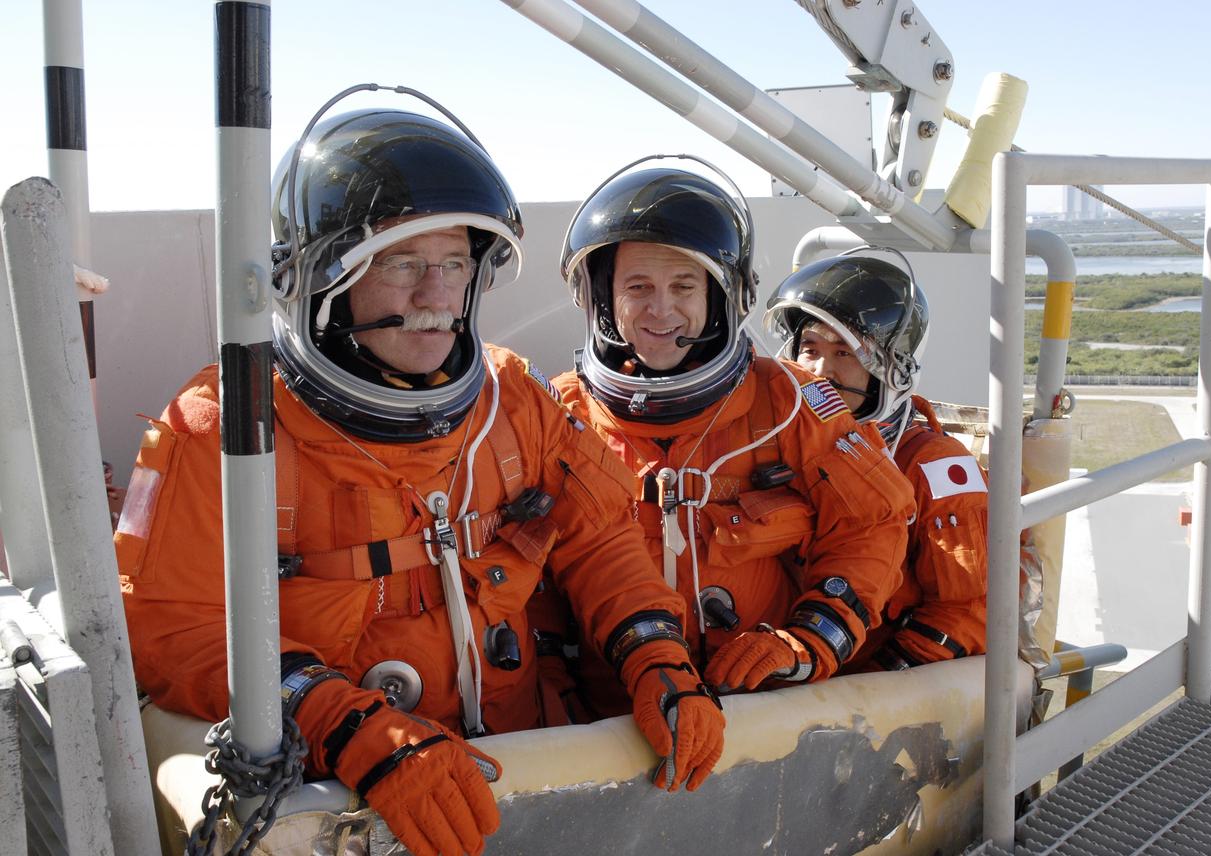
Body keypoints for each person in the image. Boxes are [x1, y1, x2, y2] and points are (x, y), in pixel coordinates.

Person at [115, 104, 724, 856]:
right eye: (403, 264)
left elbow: (595, 537)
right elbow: (168, 625)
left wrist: (652, 648)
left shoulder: (512, 399)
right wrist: (338, 720)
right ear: (320, 279)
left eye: (456, 265)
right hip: (341, 801)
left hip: (523, 780)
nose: (438, 295)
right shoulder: (221, 428)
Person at [531, 159, 914, 718]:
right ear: (603, 299)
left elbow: (872, 522)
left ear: (720, 296)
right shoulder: (560, 412)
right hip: (610, 723)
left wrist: (807, 642)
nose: (661, 309)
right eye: (638, 286)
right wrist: (553, 698)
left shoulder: (789, 403)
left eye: (684, 285)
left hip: (764, 711)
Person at [764, 252, 989, 671]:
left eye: (845, 353)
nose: (819, 371)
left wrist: (871, 684)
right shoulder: (763, 450)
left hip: (857, 683)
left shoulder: (934, 467)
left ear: (890, 369)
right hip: (774, 662)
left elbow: (968, 610)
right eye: (809, 349)